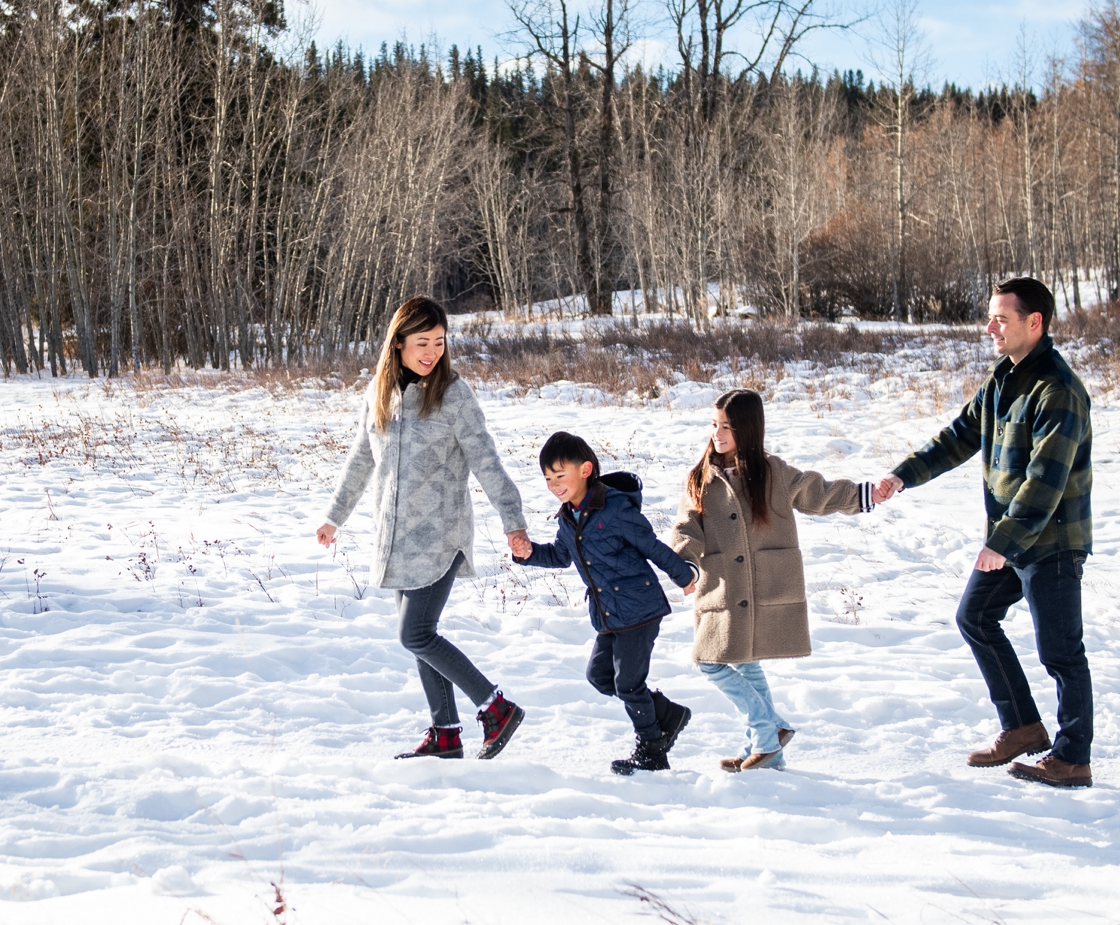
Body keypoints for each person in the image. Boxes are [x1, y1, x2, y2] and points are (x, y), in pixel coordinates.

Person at [873, 277, 1095, 788]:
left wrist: (1002, 541)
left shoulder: (1056, 392)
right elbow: (958, 436)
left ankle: (1072, 757)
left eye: (1001, 318)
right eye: (991, 316)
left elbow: (1045, 481)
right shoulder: (1004, 380)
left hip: (1052, 541)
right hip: (1015, 540)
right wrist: (903, 474)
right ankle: (1020, 727)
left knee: (1061, 651)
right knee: (975, 616)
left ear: (1033, 323)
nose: (989, 326)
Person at [316, 296, 533, 761]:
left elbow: (486, 460)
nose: (431, 351)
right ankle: (446, 734)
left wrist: (513, 521)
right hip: (395, 538)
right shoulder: (380, 391)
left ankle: (495, 708)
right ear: (398, 343)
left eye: (438, 342)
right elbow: (361, 458)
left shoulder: (453, 394)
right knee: (421, 640)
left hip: (440, 537)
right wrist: (335, 516)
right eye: (421, 342)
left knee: (415, 634)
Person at [671, 388, 877, 772]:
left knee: (737, 663)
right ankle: (770, 736)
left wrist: (864, 495)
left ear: (748, 430)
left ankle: (765, 740)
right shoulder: (701, 478)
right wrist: (683, 563)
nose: (718, 434)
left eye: (727, 427)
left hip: (765, 586)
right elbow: (687, 527)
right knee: (712, 660)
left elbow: (819, 493)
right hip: (723, 589)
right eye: (714, 425)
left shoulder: (772, 472)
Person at [514, 432, 698, 775]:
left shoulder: (615, 509)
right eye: (548, 478)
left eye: (560, 475)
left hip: (639, 608)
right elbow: (559, 555)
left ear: (585, 470)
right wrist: (528, 554)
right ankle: (668, 714)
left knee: (628, 683)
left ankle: (652, 750)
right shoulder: (568, 516)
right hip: (609, 614)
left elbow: (650, 545)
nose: (554, 484)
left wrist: (683, 575)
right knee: (600, 677)